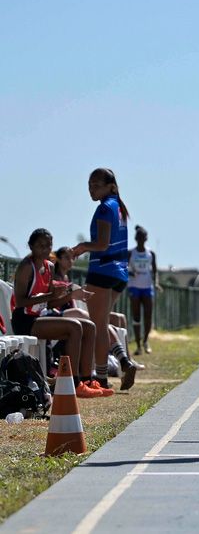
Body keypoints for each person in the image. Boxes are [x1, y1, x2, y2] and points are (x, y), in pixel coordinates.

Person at [10, 229, 108, 398]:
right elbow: (20, 302)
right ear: (31, 246)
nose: (45, 249)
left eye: (49, 245)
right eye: (41, 246)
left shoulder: (48, 267)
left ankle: (87, 380)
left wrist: (71, 295)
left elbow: (50, 302)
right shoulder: (27, 267)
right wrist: (51, 295)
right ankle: (74, 383)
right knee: (75, 327)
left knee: (89, 327)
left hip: (41, 317)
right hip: (25, 320)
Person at [72, 168, 130, 391]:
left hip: (103, 271)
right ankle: (122, 361)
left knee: (96, 326)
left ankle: (101, 378)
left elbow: (102, 244)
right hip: (119, 273)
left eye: (96, 185)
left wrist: (81, 247)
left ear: (110, 186)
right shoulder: (119, 207)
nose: (91, 189)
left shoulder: (105, 208)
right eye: (89, 185)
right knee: (102, 323)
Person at [52, 246, 140, 391]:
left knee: (105, 324)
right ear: (58, 259)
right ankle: (115, 367)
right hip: (56, 314)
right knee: (93, 319)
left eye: (72, 258)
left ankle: (124, 360)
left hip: (70, 316)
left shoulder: (67, 278)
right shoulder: (54, 277)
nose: (71, 261)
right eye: (67, 257)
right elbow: (54, 299)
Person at [128, 225, 160, 355]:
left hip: (147, 287)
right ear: (136, 239)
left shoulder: (150, 253)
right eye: (139, 238)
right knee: (136, 316)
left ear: (146, 239)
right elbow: (123, 268)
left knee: (148, 315)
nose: (141, 240)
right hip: (134, 286)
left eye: (143, 238)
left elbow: (155, 271)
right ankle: (137, 345)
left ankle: (145, 341)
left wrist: (156, 283)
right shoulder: (130, 253)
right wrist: (130, 273)